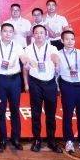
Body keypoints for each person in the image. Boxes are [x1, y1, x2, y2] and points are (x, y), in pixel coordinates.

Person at [20, 24, 62, 153]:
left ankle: (51, 140)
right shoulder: (28, 49)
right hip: (35, 83)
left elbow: (55, 58)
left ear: (46, 34)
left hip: (50, 83)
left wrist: (56, 63)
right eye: (36, 33)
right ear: (33, 35)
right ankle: (37, 140)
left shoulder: (52, 48)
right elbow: (25, 68)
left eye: (41, 33)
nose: (39, 35)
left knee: (51, 114)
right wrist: (26, 83)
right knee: (36, 113)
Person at [0, 23, 23, 152]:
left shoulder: (18, 46)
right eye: (5, 31)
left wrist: (27, 62)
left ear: (13, 33)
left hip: (15, 80)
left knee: (15, 109)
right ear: (0, 32)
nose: (7, 34)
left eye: (10, 31)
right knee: (0, 110)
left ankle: (16, 139)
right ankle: (2, 138)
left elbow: (23, 58)